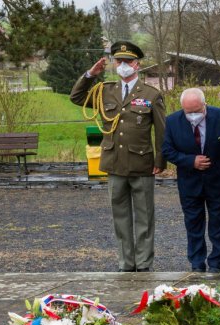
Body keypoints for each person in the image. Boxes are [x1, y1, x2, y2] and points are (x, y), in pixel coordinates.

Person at [70, 41, 166, 272]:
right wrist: (90, 75)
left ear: (137, 64)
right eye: (119, 61)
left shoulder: (151, 94)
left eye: (128, 61)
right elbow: (76, 97)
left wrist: (160, 161)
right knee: (120, 218)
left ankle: (143, 263)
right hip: (114, 163)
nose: (123, 65)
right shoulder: (104, 90)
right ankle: (126, 262)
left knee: (144, 218)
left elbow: (162, 130)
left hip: (142, 163)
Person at [162, 88, 220, 273]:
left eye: (197, 111)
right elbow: (167, 150)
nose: (194, 116)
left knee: (218, 224)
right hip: (189, 183)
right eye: (189, 112)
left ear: (204, 105)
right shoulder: (172, 121)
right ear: (182, 109)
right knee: (193, 224)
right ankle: (197, 263)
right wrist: (191, 161)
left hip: (218, 180)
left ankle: (216, 263)